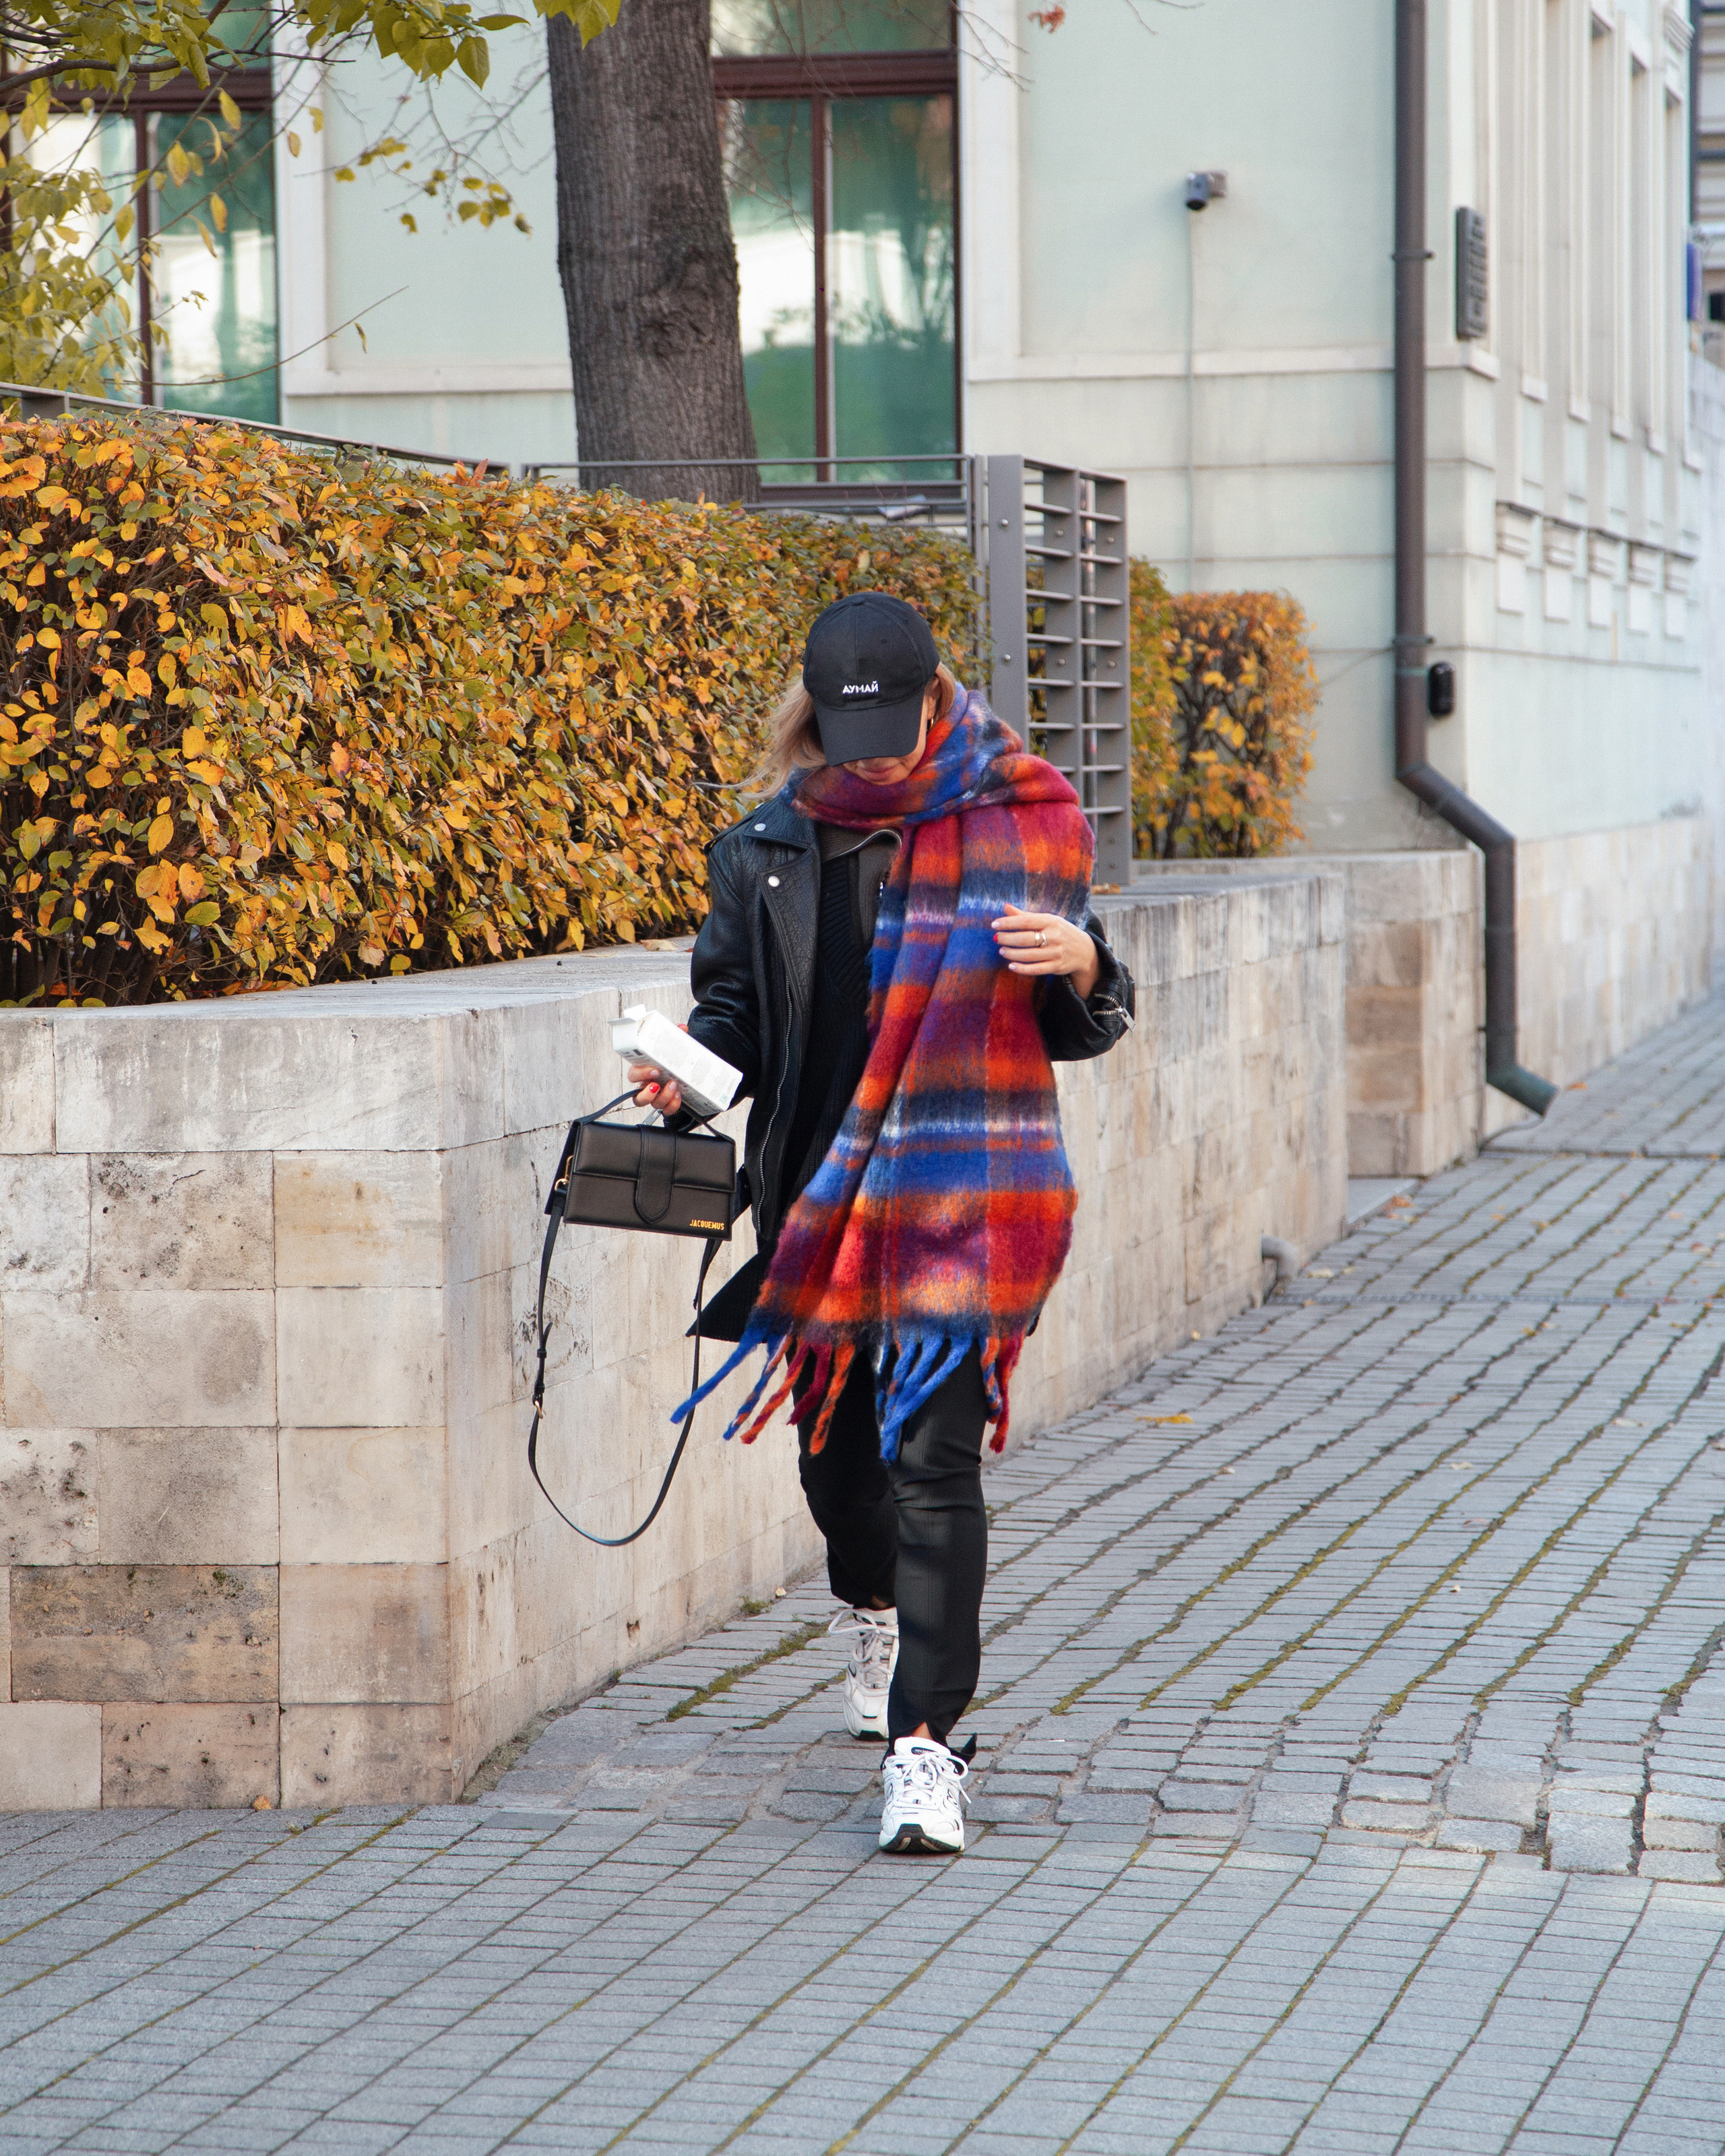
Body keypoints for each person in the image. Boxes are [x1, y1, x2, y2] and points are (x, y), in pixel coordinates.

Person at [628, 591, 1134, 1855]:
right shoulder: (767, 848)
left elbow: (1086, 1016)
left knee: (934, 1467)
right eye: (854, 739)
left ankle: (927, 1750)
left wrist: (1079, 966)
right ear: (817, 722)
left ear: (934, 695)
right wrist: (687, 1067)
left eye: (897, 732)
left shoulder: (1029, 818)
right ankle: (868, 1601)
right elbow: (738, 1013)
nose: (880, 757)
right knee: (840, 1472)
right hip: (821, 1194)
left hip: (973, 1195)